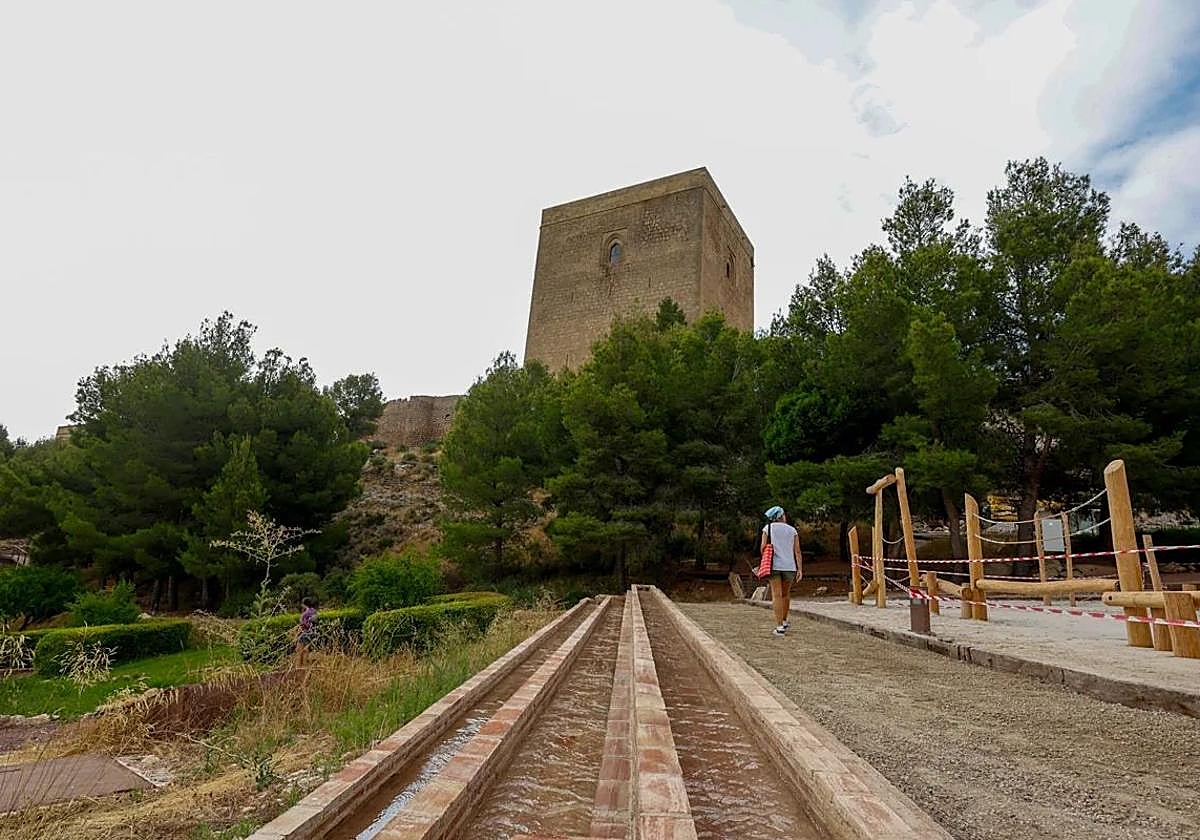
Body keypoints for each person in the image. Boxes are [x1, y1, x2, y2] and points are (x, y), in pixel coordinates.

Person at [761, 505, 802, 636]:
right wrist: (800, 568)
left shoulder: (767, 529)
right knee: (786, 594)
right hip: (789, 566)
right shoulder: (792, 530)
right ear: (782, 516)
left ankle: (779, 627)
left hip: (774, 565)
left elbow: (762, 548)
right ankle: (784, 620)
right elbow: (797, 551)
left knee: (776, 595)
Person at [296, 597, 318, 664]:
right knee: (306, 650)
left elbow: (303, 625)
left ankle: (299, 666)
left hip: (305, 633)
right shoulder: (314, 611)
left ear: (304, 604)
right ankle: (305, 666)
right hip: (313, 632)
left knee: (299, 650)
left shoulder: (305, 614)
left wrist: (297, 633)